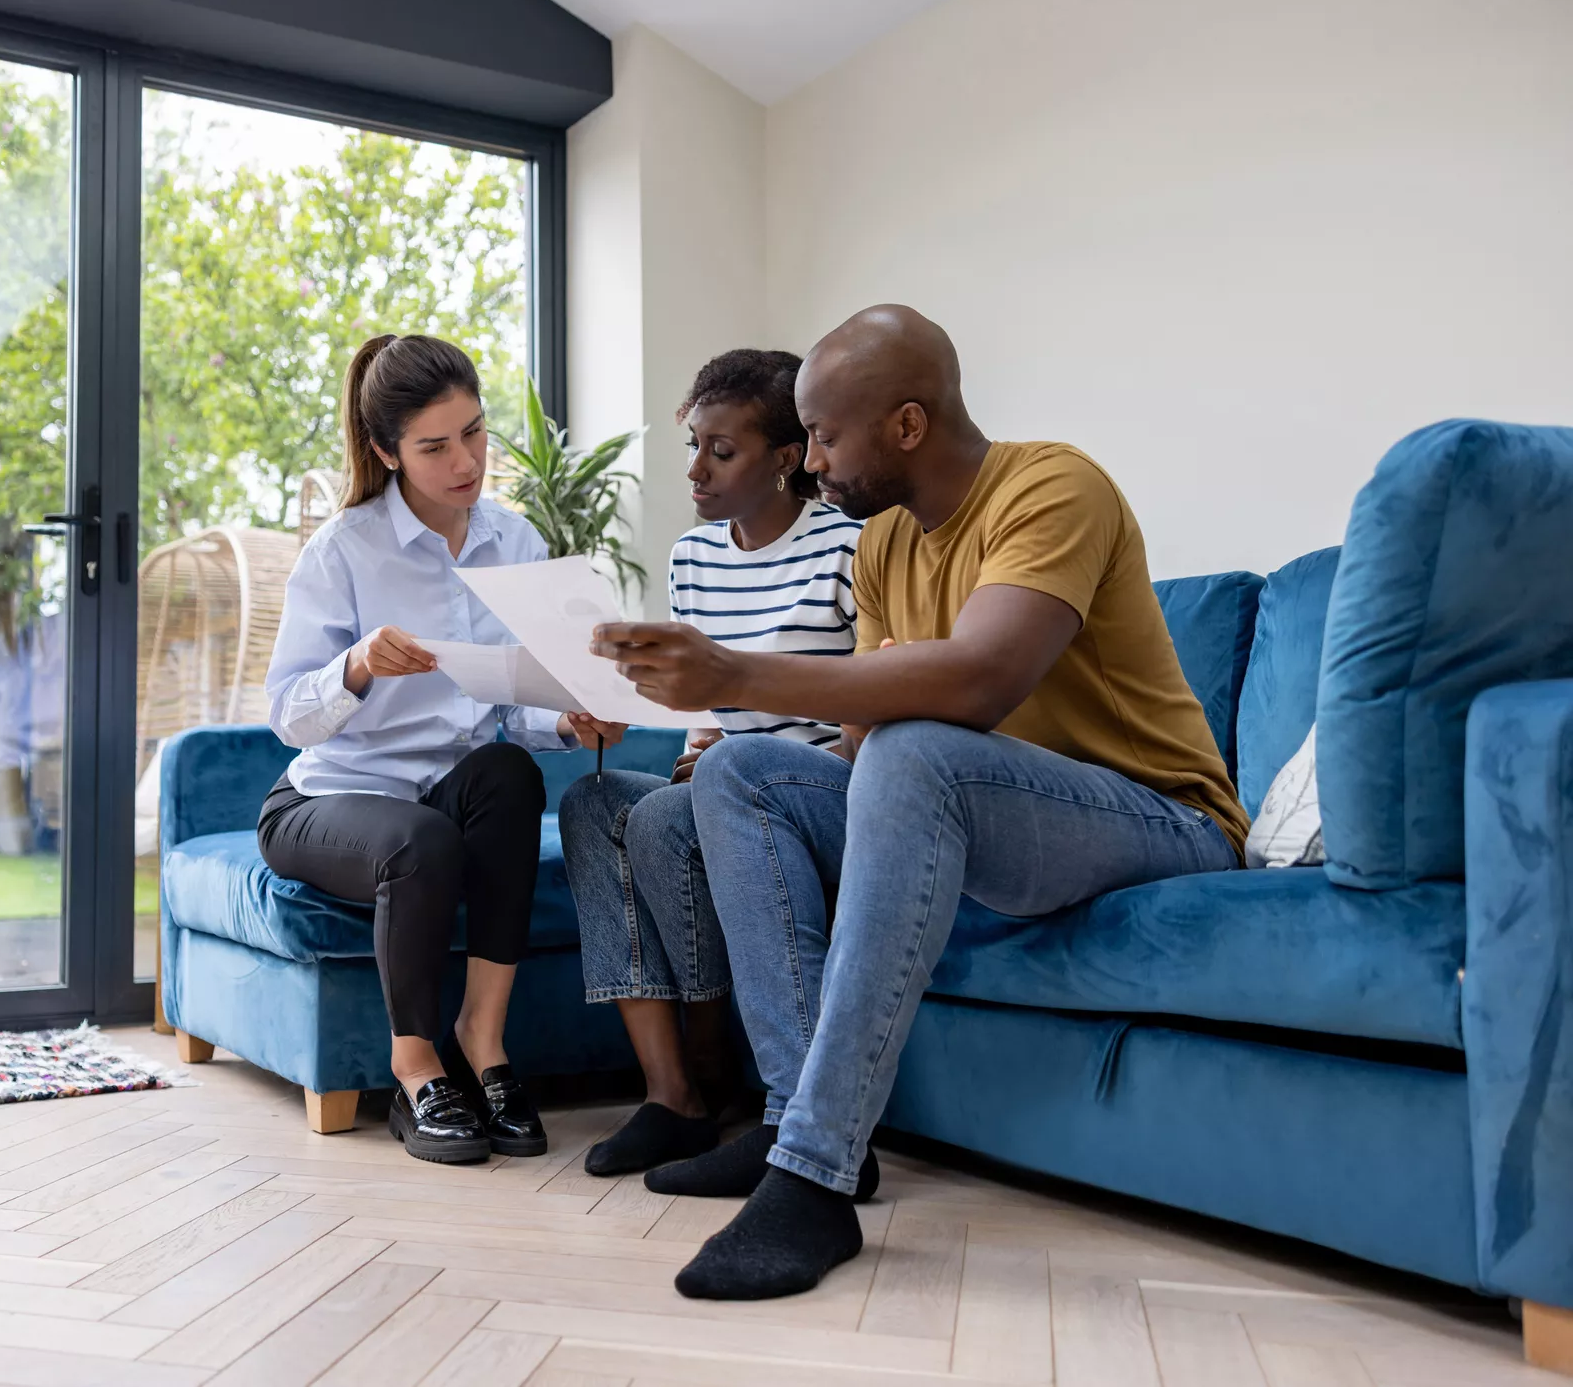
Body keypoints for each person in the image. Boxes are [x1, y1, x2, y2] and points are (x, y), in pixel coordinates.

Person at [590, 305, 1248, 1298]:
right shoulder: (882, 543)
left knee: (919, 744)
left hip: (1158, 820)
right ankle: (793, 1120)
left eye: (821, 435)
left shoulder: (1052, 487)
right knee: (739, 771)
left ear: (905, 424)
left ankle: (809, 1175)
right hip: (991, 819)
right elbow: (868, 737)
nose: (807, 464)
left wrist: (741, 671)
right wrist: (884, 693)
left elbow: (978, 681)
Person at [262, 332, 622, 1166]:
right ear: (388, 451)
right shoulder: (343, 551)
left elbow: (512, 697)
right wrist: (354, 668)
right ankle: (414, 1068)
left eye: (475, 432)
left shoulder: (516, 541)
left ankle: (483, 1045)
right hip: (326, 800)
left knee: (508, 770)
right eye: (435, 445)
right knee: (422, 839)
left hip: (449, 792)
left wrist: (571, 718)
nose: (466, 460)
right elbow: (286, 713)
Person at [559, 348, 858, 1178]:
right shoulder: (695, 559)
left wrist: (727, 761)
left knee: (661, 814)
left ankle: (718, 1063)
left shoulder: (850, 548)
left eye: (719, 452)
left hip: (815, 788)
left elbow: (875, 705)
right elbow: (709, 719)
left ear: (786, 459)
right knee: (597, 804)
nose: (694, 469)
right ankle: (673, 1097)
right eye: (693, 444)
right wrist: (692, 747)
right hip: (725, 780)